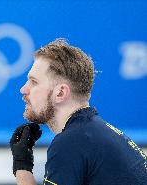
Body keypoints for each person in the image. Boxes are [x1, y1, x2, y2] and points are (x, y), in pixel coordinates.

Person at [9, 38, 147, 185]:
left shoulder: (71, 143)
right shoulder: (94, 134)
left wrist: (22, 167)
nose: (23, 89)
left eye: (34, 82)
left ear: (60, 93)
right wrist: (22, 164)